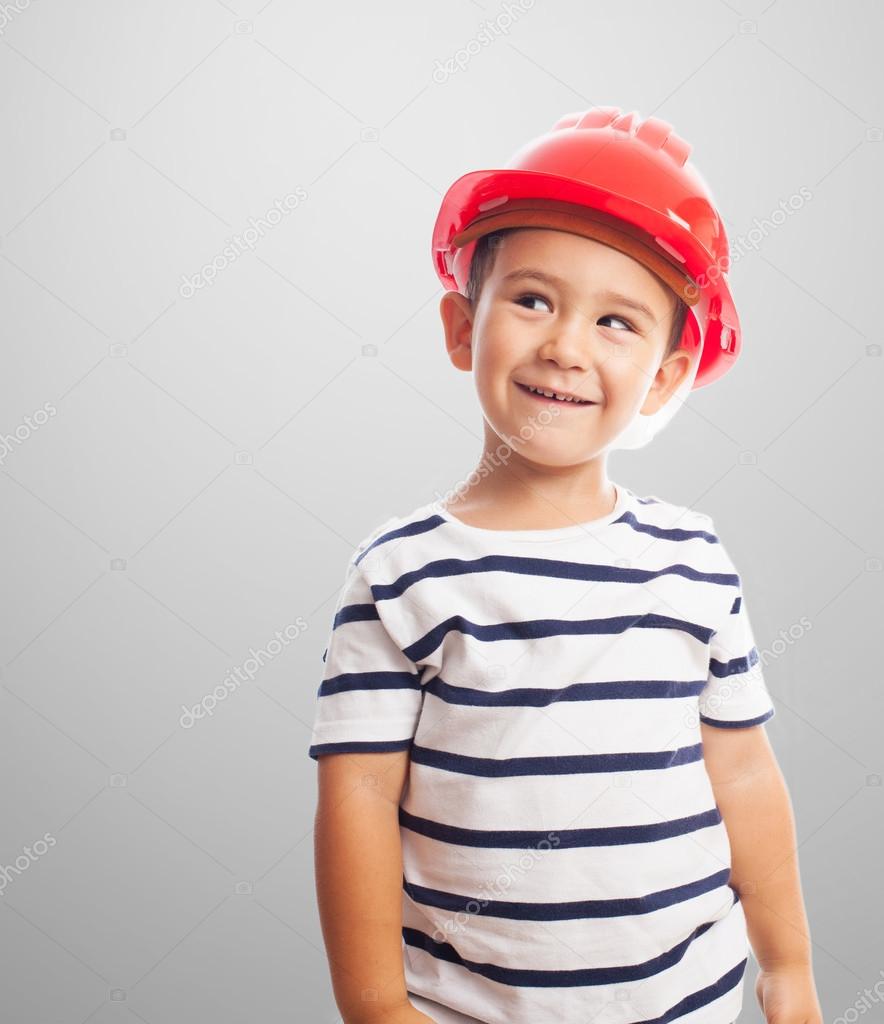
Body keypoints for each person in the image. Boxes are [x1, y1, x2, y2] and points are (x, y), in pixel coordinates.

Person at [308, 109, 823, 1024]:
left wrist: (786, 969)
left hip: (689, 1004)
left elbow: (743, 773)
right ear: (462, 327)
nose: (566, 346)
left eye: (617, 321)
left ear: (665, 379)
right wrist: (378, 1011)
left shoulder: (692, 561)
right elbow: (357, 794)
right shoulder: (401, 576)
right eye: (533, 300)